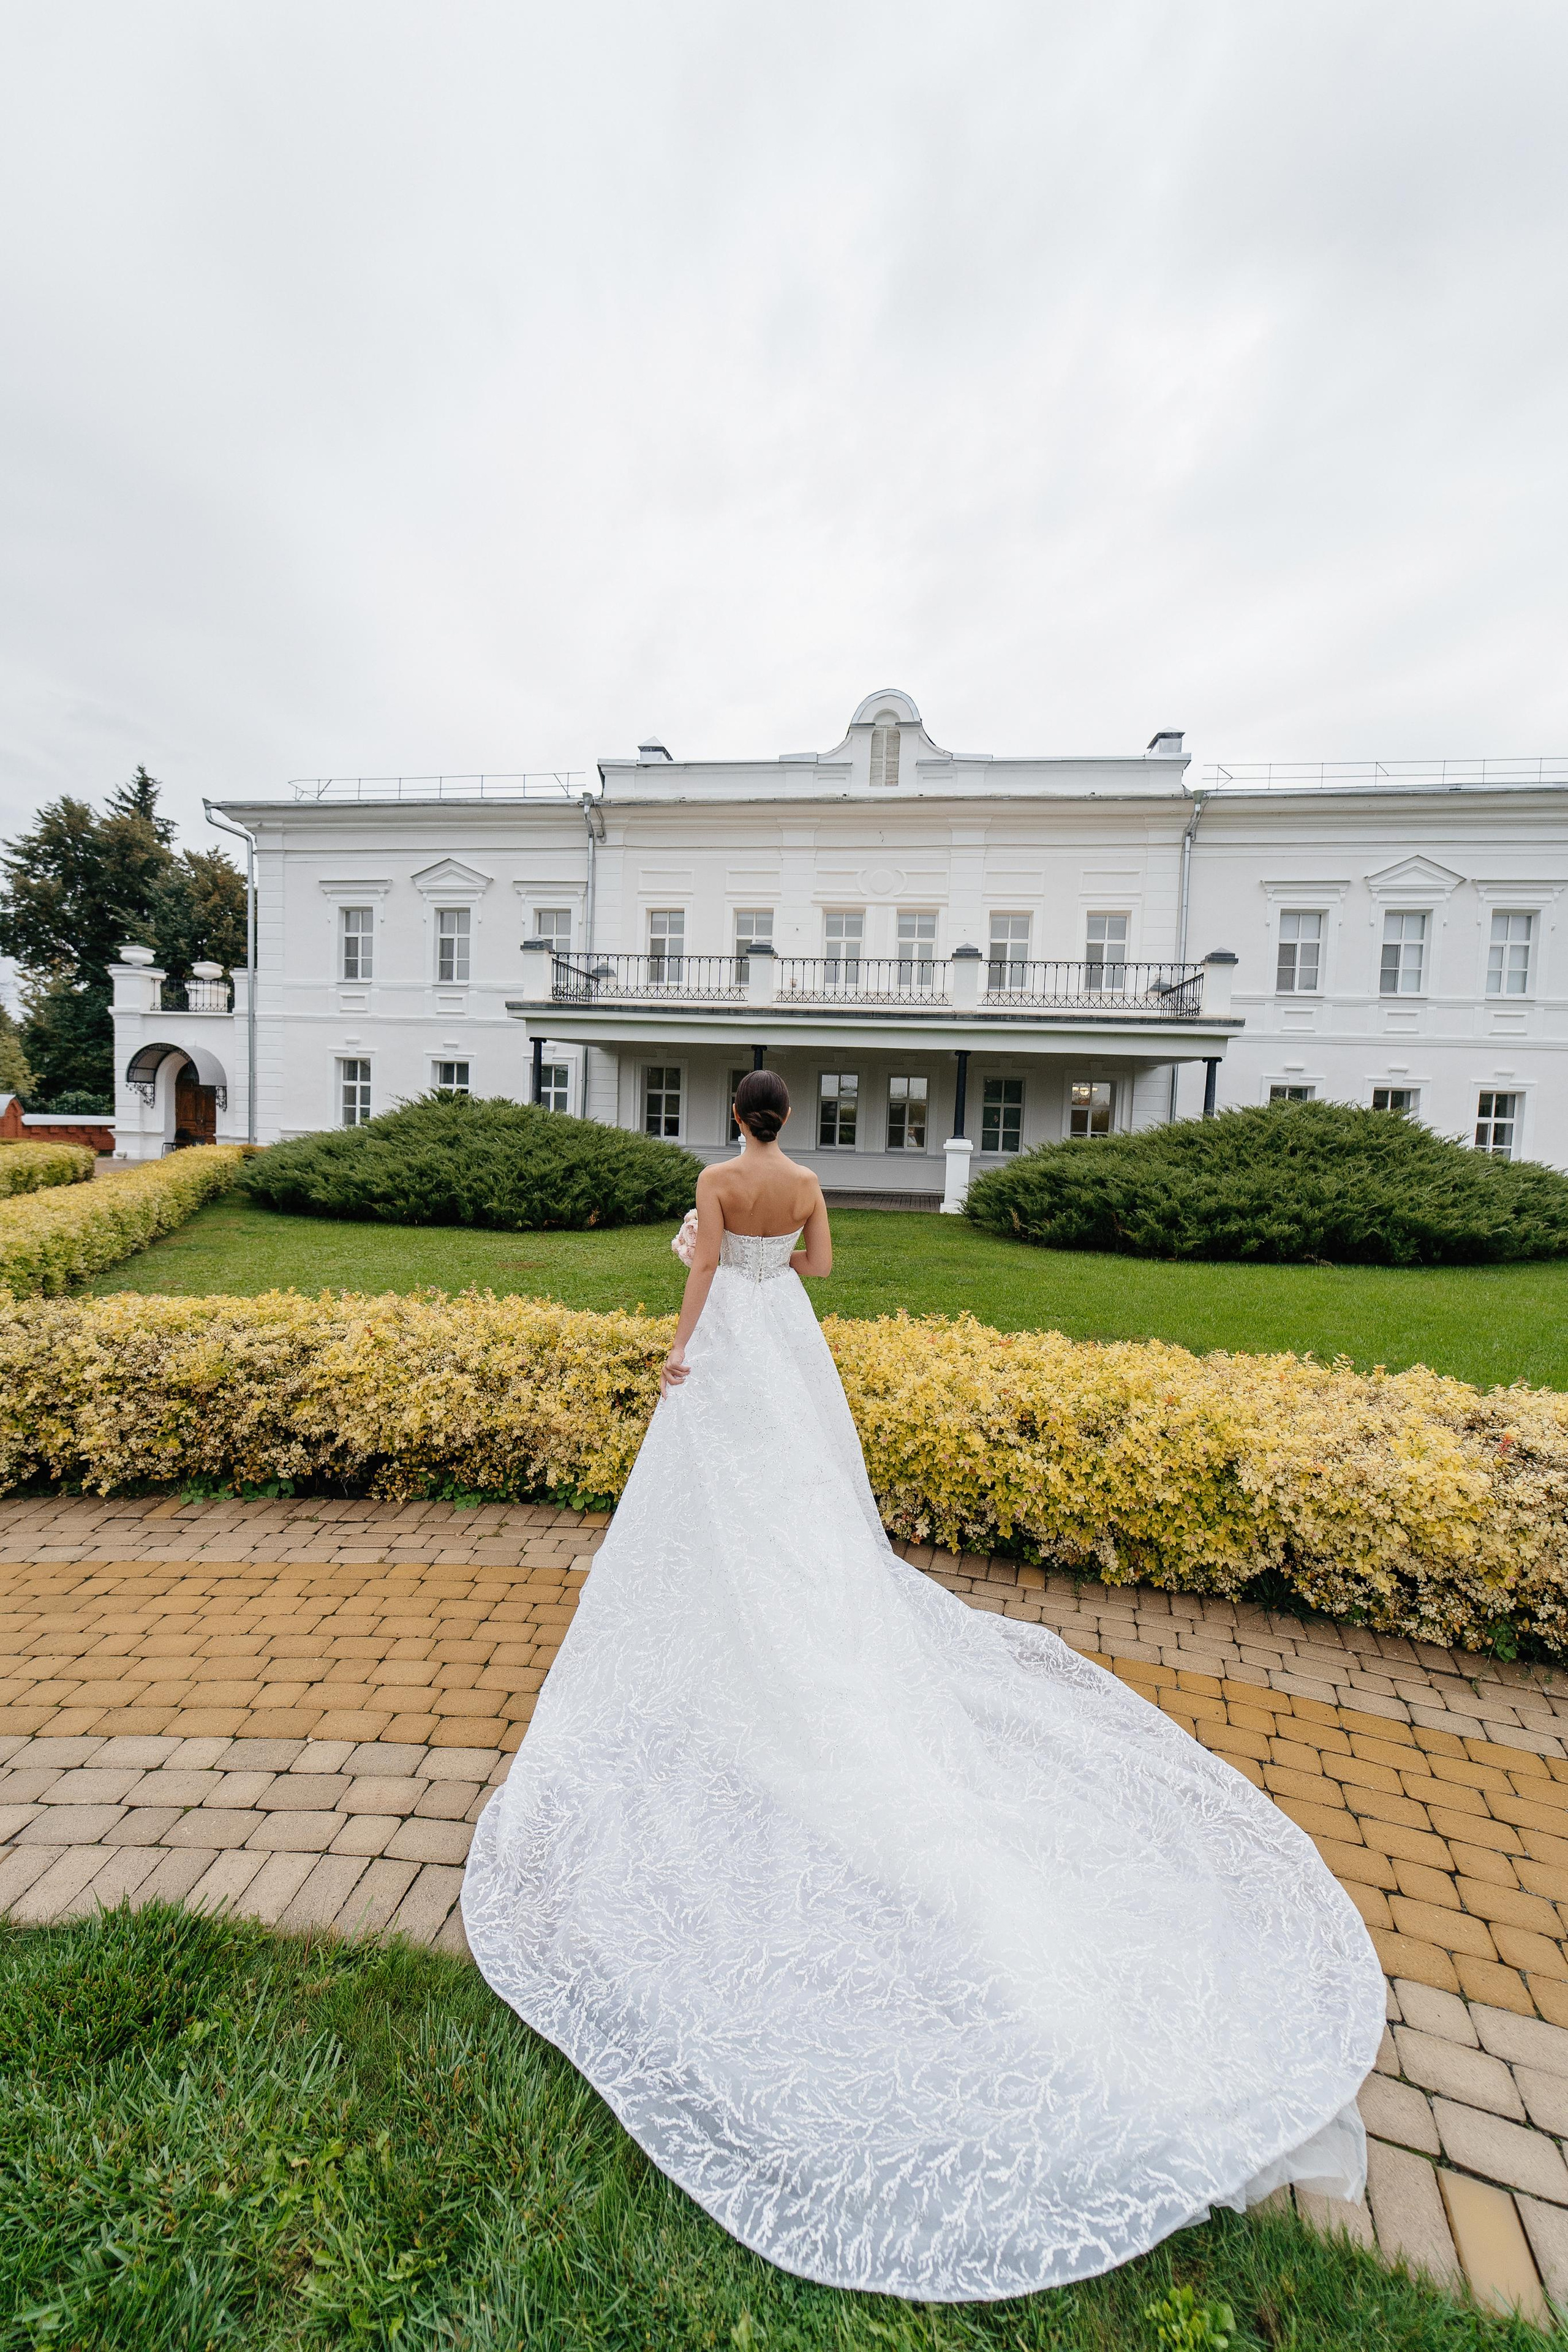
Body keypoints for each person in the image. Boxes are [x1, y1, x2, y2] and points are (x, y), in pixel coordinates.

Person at [461, 1069, 1382, 2302]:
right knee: (805, 1521)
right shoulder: (799, 1184)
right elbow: (816, 1273)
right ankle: (788, 1642)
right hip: (787, 1350)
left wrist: (682, 1347)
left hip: (731, 1355)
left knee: (733, 1520)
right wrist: (762, 1265)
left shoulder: (716, 1179)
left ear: (735, 1117)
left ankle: (746, 1652)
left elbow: (698, 1278)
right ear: (788, 1121)